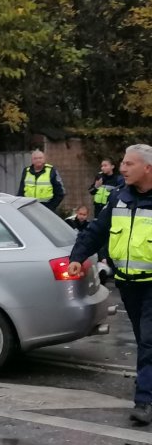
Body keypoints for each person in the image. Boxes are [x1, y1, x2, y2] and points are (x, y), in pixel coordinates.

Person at [67, 144, 152, 426]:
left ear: (147, 168)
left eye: (129, 164)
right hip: (127, 284)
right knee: (144, 340)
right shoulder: (119, 199)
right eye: (123, 163)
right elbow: (95, 231)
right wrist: (78, 257)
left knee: (149, 341)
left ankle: (144, 401)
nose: (122, 168)